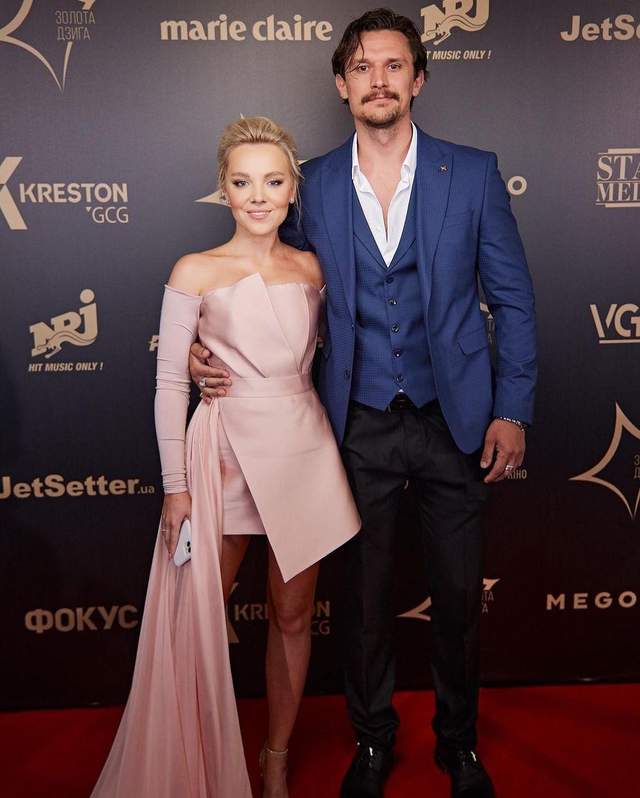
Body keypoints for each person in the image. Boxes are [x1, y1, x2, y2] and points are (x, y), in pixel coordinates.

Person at [192, 8, 537, 798]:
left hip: (456, 421)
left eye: (393, 66)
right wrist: (192, 343)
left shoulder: (472, 173)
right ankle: (373, 742)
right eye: (361, 68)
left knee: (459, 598)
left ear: (418, 80)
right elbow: (261, 277)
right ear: (342, 86)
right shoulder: (310, 183)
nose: (378, 80)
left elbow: (514, 300)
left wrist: (512, 409)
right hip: (354, 422)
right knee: (363, 599)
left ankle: (459, 746)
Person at [91, 116, 360, 798]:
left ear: (293, 189)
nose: (258, 196)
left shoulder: (315, 269)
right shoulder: (195, 269)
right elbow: (168, 383)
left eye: (272, 181)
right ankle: (193, 762)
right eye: (243, 182)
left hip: (302, 451)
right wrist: (176, 487)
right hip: (224, 457)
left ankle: (275, 758)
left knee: (292, 616)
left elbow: (339, 354)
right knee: (195, 621)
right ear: (224, 189)